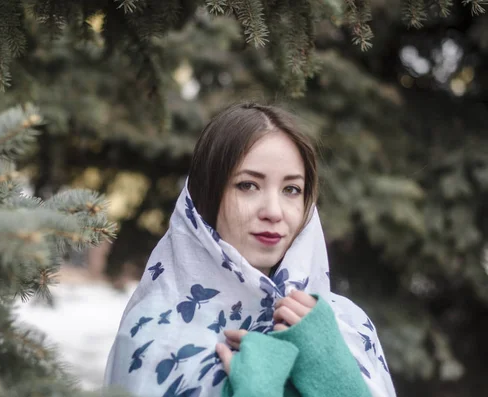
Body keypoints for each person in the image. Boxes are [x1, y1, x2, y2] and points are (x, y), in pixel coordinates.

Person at [104, 103, 397, 397]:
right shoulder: (156, 334)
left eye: (291, 189)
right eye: (247, 185)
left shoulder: (346, 326)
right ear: (207, 197)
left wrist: (337, 381)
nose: (273, 211)